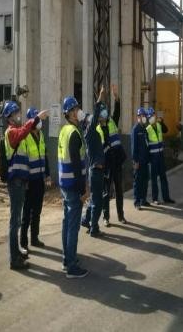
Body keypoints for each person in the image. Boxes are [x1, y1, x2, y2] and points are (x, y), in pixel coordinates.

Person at [2, 101, 48, 271]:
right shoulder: (11, 132)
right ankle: (14, 259)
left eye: (17, 112)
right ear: (9, 117)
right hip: (15, 181)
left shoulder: (18, 131)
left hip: (21, 181)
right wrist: (35, 119)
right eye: (15, 113)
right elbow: (21, 134)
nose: (18, 115)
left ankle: (17, 253)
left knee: (17, 220)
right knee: (15, 221)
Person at [58, 96, 89, 278]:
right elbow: (77, 165)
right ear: (70, 113)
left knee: (67, 222)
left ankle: (66, 259)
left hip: (65, 183)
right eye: (76, 108)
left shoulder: (65, 130)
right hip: (73, 185)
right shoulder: (74, 134)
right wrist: (83, 190)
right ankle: (71, 266)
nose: (79, 111)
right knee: (72, 226)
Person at [20, 107, 51, 253]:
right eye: (36, 119)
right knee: (26, 212)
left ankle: (34, 238)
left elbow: (44, 155)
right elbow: (23, 159)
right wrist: (25, 180)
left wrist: (48, 174)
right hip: (29, 180)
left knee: (37, 210)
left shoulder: (41, 135)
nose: (39, 123)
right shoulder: (25, 137)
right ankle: (23, 242)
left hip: (39, 179)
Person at [98, 85, 127, 226]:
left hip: (117, 162)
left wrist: (117, 98)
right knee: (106, 192)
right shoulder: (97, 128)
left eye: (105, 111)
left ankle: (121, 216)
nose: (105, 114)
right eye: (102, 112)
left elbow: (118, 111)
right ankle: (106, 217)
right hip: (106, 164)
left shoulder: (112, 121)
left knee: (119, 190)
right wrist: (100, 95)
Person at [81, 86, 106, 237]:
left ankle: (86, 220)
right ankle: (94, 228)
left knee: (94, 198)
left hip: (97, 170)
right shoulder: (89, 133)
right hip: (96, 171)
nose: (93, 120)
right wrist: (100, 98)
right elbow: (96, 115)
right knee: (97, 201)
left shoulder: (93, 133)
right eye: (90, 120)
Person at [146, 107, 175, 205]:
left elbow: (166, 130)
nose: (152, 117)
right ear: (148, 118)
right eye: (150, 116)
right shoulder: (147, 129)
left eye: (153, 115)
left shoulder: (159, 125)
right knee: (154, 179)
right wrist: (148, 159)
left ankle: (166, 198)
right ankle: (155, 198)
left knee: (163, 177)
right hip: (153, 157)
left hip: (160, 156)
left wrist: (161, 122)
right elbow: (146, 146)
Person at [131, 107, 150, 209]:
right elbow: (134, 147)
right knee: (137, 182)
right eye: (142, 116)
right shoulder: (135, 129)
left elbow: (147, 144)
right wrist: (135, 161)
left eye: (145, 116)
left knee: (145, 181)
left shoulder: (144, 129)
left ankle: (143, 199)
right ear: (138, 117)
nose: (144, 117)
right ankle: (137, 202)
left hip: (145, 160)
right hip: (138, 161)